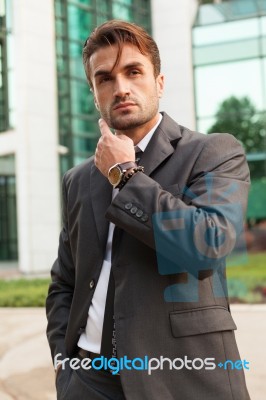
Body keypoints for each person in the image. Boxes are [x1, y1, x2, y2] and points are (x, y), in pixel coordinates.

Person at [46, 19, 251, 400]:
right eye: (104, 78)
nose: (120, 87)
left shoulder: (213, 153)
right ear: (94, 94)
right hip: (88, 381)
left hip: (180, 380)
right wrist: (65, 362)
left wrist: (125, 174)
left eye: (133, 72)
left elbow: (205, 247)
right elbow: (65, 282)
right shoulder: (76, 180)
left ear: (159, 82)